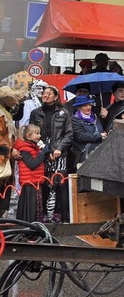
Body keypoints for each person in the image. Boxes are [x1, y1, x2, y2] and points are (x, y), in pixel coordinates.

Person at [29, 86, 73, 223]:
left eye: (49, 93)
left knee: (60, 183)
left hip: (60, 153)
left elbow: (69, 133)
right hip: (43, 153)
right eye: (44, 93)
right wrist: (45, 150)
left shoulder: (64, 113)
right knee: (44, 184)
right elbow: (31, 133)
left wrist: (59, 148)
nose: (45, 95)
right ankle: (43, 216)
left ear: (55, 97)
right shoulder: (36, 113)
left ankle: (64, 217)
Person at [13, 124, 49, 223]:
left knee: (34, 208)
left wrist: (44, 152)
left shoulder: (34, 147)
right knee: (31, 209)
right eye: (37, 133)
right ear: (29, 135)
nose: (39, 136)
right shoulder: (24, 149)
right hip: (30, 182)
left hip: (35, 181)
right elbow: (32, 164)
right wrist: (42, 153)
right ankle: (29, 228)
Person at [0, 86, 24, 217]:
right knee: (3, 193)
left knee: (5, 193)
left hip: (6, 160)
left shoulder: (6, 113)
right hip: (2, 160)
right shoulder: (1, 115)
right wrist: (10, 149)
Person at [71, 95, 107, 166]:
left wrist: (104, 118)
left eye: (89, 105)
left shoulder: (95, 116)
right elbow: (80, 136)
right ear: (79, 107)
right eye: (85, 106)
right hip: (84, 155)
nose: (88, 107)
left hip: (100, 153)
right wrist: (99, 136)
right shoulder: (75, 120)